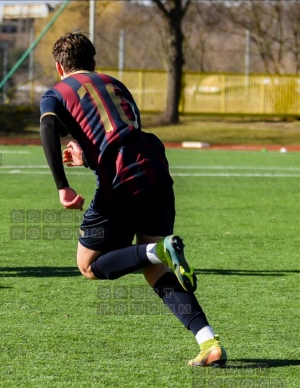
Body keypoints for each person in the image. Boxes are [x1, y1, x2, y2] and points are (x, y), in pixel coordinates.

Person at [39, 32, 227, 367]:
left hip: (121, 180)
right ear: (93, 62)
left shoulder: (56, 93)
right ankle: (208, 342)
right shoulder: (115, 84)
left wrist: (62, 186)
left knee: (89, 266)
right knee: (153, 269)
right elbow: (124, 136)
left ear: (58, 67)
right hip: (155, 167)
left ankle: (159, 250)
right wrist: (88, 158)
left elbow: (47, 129)